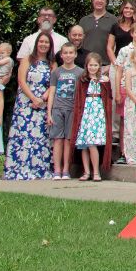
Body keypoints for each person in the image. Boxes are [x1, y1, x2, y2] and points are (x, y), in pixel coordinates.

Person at [5, 30, 55, 180]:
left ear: (50, 45)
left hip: (43, 104)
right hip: (26, 103)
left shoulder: (52, 63)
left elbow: (54, 83)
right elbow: (21, 81)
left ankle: (40, 169)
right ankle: (19, 169)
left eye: (46, 42)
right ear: (36, 44)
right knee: (24, 136)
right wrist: (33, 98)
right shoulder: (27, 59)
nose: (43, 45)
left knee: (41, 137)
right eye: (41, 42)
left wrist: (43, 98)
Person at [73, 52, 113, 181]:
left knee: (92, 143)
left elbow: (108, 98)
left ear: (99, 66)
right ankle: (86, 172)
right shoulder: (83, 80)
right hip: (85, 113)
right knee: (83, 144)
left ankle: (96, 172)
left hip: (97, 113)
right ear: (86, 66)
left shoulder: (104, 80)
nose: (93, 68)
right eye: (90, 65)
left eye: (95, 65)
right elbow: (79, 98)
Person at [47, 42, 83, 179]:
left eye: (70, 53)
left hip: (72, 109)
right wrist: (49, 112)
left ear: (75, 54)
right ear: (61, 55)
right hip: (57, 108)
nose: (68, 55)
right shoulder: (57, 72)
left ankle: (66, 170)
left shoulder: (80, 72)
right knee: (58, 139)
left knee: (68, 140)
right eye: (65, 53)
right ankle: (57, 170)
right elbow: (52, 92)